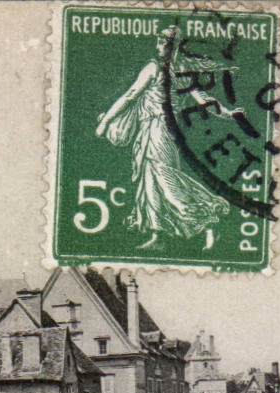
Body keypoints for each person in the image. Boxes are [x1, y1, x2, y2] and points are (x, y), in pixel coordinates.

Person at [95, 27, 240, 244]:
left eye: (163, 42)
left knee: (163, 176)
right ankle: (157, 234)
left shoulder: (156, 68)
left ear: (174, 46)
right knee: (150, 178)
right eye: (159, 41)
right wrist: (229, 114)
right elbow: (204, 101)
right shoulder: (180, 71)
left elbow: (130, 96)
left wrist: (106, 122)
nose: (159, 46)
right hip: (154, 129)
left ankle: (206, 215)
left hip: (159, 128)